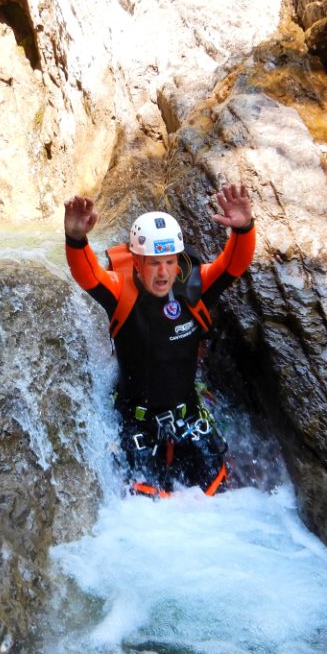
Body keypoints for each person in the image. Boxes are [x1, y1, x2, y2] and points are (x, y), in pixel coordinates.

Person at [64, 184, 255, 497]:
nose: (163, 272)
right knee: (146, 503)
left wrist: (244, 229)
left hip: (187, 414)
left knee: (218, 492)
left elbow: (233, 265)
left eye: (169, 261)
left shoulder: (195, 288)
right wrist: (75, 238)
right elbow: (88, 276)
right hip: (136, 418)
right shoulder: (119, 291)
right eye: (154, 262)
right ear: (137, 262)